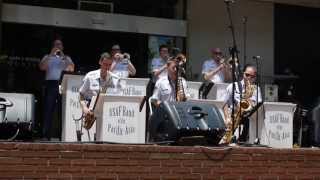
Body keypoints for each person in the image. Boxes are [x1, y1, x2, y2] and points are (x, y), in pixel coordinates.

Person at [39, 39, 74, 140]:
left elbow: (71, 68)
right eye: (56, 45)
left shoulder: (66, 58)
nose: (58, 46)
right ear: (53, 46)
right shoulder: (47, 57)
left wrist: (62, 55)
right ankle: (46, 135)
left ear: (62, 47)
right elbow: (42, 67)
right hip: (51, 85)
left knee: (62, 110)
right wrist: (51, 54)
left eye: (60, 45)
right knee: (48, 109)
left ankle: (61, 135)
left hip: (63, 84)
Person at [222, 64, 262, 143]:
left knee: (248, 120)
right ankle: (227, 139)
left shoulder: (256, 89)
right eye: (247, 75)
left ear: (255, 78)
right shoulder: (233, 86)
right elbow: (224, 103)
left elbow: (259, 104)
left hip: (248, 116)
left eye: (252, 76)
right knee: (227, 136)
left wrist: (250, 102)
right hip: (234, 114)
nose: (249, 78)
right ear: (243, 74)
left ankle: (243, 140)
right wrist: (227, 118)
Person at [79, 52, 121, 117]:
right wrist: (84, 108)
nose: (107, 67)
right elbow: (81, 94)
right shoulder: (90, 76)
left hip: (109, 112)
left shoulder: (115, 78)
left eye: (109, 65)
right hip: (91, 112)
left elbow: (119, 97)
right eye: (105, 64)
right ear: (100, 62)